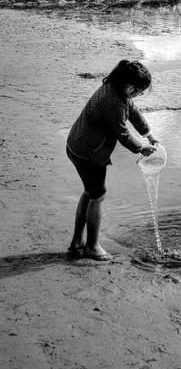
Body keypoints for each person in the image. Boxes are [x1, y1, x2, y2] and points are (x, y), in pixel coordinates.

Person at [66, 59, 158, 261]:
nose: (139, 96)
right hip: (89, 153)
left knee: (90, 191)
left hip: (76, 144)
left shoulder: (113, 87)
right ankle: (92, 246)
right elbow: (122, 134)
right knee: (98, 195)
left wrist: (149, 134)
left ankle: (77, 242)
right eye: (140, 92)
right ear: (130, 87)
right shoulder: (114, 102)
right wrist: (141, 148)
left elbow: (132, 111)